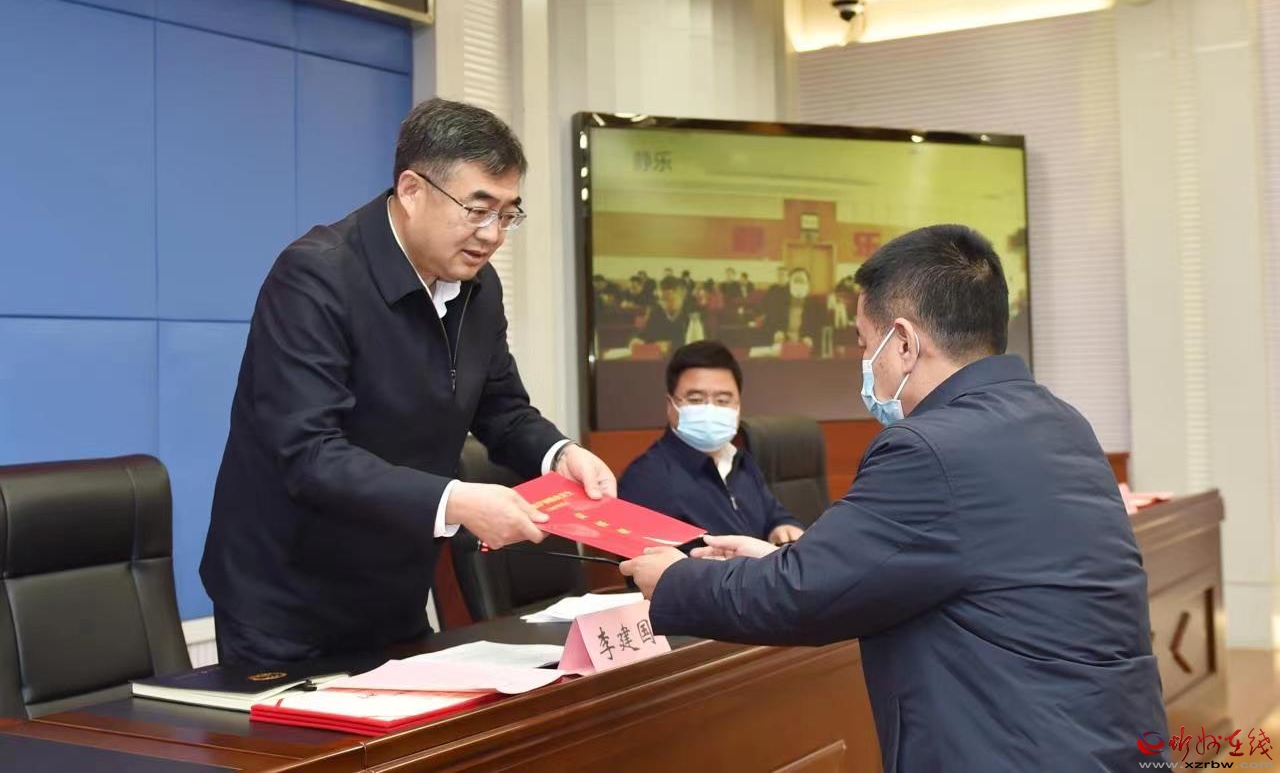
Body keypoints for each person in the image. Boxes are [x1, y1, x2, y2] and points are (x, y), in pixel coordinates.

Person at [622, 225, 1168, 771]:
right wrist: (783, 560)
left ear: (903, 343)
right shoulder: (1061, 421)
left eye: (865, 345)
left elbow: (803, 596)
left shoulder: (929, 447)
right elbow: (951, 562)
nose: (865, 363)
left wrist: (676, 580)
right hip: (1108, 740)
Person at [202, 98, 617, 665]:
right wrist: (458, 500)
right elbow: (307, 452)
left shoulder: (478, 286)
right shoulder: (316, 277)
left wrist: (559, 455)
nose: (493, 235)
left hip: (393, 587)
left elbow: (502, 408)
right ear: (412, 189)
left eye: (508, 214)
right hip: (287, 598)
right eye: (478, 210)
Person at [618, 341, 804, 544]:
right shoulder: (646, 479)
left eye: (723, 401)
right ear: (670, 406)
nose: (710, 410)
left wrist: (782, 526)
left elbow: (774, 515)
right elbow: (645, 562)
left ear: (738, 405)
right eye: (696, 400)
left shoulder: (741, 461)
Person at [762, 267, 829, 346]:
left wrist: (810, 338)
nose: (799, 284)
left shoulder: (816, 306)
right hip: (783, 344)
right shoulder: (778, 302)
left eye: (802, 281)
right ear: (789, 284)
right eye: (796, 281)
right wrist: (776, 333)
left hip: (805, 346)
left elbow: (821, 331)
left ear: (808, 284)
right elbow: (768, 325)